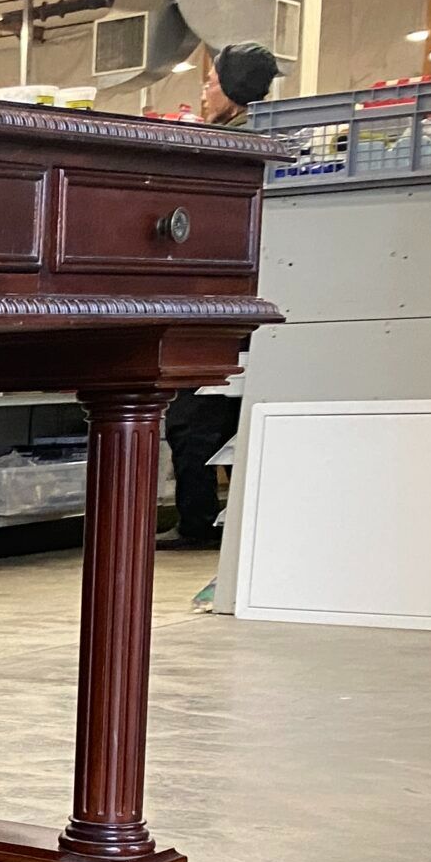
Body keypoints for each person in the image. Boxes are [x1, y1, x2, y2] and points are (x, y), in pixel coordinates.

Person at [159, 43, 279, 543]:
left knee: (191, 420)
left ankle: (198, 524)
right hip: (251, 303)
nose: (205, 91)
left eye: (210, 81)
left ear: (232, 89)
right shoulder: (259, 141)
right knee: (217, 418)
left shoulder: (227, 149)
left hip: (221, 304)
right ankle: (212, 523)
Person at [198, 40, 280, 126]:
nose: (203, 97)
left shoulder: (233, 136)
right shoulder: (266, 127)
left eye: (210, 83)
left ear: (231, 91)